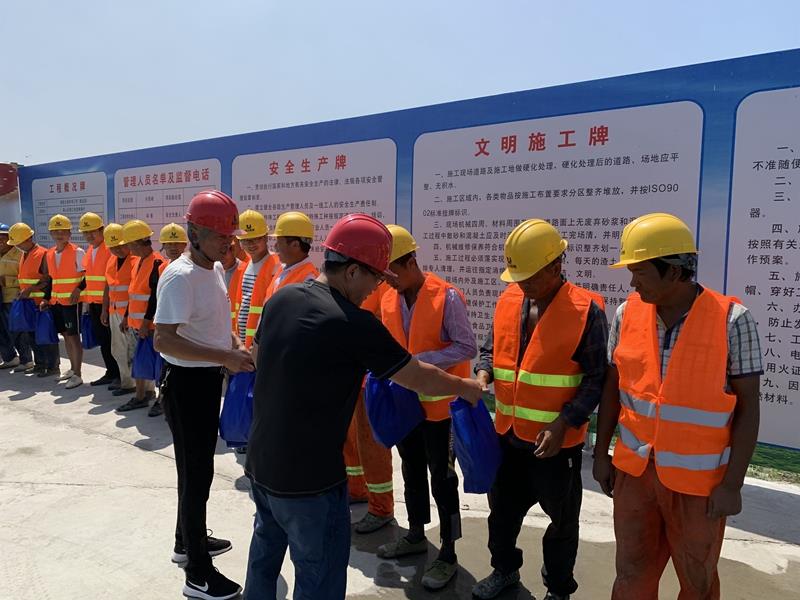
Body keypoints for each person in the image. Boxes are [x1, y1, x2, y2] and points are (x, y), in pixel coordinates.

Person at [243, 213, 487, 600]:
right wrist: (467, 388)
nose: (378, 287)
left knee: (263, 561)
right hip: (311, 481)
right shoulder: (353, 323)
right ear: (353, 270)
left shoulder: (283, 299)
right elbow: (416, 376)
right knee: (318, 578)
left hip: (261, 464)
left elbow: (258, 357)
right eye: (375, 277)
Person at [592, 213, 762, 600]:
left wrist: (732, 485)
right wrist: (601, 454)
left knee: (697, 580)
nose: (632, 283)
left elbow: (748, 408)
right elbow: (612, 389)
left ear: (673, 271)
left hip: (699, 487)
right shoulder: (626, 314)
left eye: (640, 272)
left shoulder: (732, 321)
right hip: (635, 476)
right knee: (631, 572)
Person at [471, 219, 608, 600]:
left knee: (562, 523)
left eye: (529, 277)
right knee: (501, 515)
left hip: (557, 446)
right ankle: (504, 571)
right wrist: (483, 373)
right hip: (508, 436)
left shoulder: (586, 310)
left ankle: (559, 589)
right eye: (517, 277)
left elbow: (596, 378)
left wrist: (564, 423)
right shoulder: (508, 299)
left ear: (556, 265)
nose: (522, 284)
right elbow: (490, 350)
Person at [153, 190, 254, 600]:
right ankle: (197, 573)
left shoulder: (211, 269)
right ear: (193, 233)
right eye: (219, 237)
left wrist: (233, 344)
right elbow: (164, 339)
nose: (227, 244)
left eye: (230, 237)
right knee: (197, 475)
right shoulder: (179, 276)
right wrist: (224, 356)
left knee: (195, 471)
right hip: (187, 385)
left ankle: (186, 541)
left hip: (207, 379)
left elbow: (213, 322)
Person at [375, 225, 477, 590]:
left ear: (411, 262)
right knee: (412, 471)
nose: (388, 282)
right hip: (406, 405)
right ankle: (416, 534)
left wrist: (419, 363)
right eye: (383, 276)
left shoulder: (446, 296)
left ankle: (448, 552)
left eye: (392, 273)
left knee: (443, 478)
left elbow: (466, 346)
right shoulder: (389, 299)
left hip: (440, 410)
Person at [343, 281, 396, 533]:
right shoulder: (351, 281)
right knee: (351, 438)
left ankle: (381, 507)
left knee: (372, 444)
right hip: (350, 370)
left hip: (372, 375)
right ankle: (356, 489)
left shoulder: (384, 288)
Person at [116, 219, 165, 416]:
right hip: (136, 324)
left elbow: (154, 298)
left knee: (158, 365)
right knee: (138, 362)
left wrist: (146, 323)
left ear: (137, 242)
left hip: (150, 327)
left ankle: (161, 400)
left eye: (129, 244)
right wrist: (126, 317)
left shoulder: (157, 263)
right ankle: (141, 396)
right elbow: (134, 293)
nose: (127, 248)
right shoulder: (138, 261)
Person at [6, 223, 59, 376]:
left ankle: (53, 366)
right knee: (33, 336)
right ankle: (40, 364)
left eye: (18, 242)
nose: (16, 246)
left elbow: (48, 280)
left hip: (41, 303)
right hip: (29, 303)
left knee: (46, 336)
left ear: (28, 238)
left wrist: (30, 290)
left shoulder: (42, 254)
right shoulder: (25, 254)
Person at [43, 214, 85, 389]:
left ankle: (78, 374)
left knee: (74, 337)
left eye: (63, 231)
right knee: (66, 336)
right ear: (51, 234)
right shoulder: (50, 253)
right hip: (57, 302)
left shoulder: (77, 252)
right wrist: (46, 298)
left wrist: (78, 289)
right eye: (56, 231)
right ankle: (72, 369)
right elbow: (51, 279)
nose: (59, 234)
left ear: (69, 233)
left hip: (71, 303)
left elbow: (87, 275)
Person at [79, 212, 120, 387]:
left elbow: (110, 281)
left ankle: (119, 375)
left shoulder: (109, 249)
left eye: (92, 231)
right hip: (94, 304)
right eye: (85, 232)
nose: (89, 235)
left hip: (108, 304)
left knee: (114, 342)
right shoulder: (90, 250)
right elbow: (89, 277)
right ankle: (110, 372)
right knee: (104, 341)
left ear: (101, 230)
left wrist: (105, 307)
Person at [229, 209, 279, 349]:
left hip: (261, 344)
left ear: (266, 237)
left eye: (256, 238)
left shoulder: (276, 265)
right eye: (245, 240)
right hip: (243, 343)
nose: (251, 244)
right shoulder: (244, 266)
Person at [101, 223, 137, 397]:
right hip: (114, 312)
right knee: (118, 349)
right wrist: (104, 309)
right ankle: (127, 382)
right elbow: (108, 286)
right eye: (113, 247)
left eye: (121, 246)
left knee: (133, 350)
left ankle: (141, 386)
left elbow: (137, 291)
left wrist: (128, 315)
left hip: (131, 314)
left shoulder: (135, 260)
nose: (118, 250)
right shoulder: (111, 260)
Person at [0, 222, 34, 371]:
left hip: (12, 298)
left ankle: (26, 360)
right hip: (0, 298)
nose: (0, 242)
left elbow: (25, 279)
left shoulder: (20, 255)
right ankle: (9, 358)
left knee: (17, 331)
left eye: (2, 238)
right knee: (2, 331)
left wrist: (6, 281)